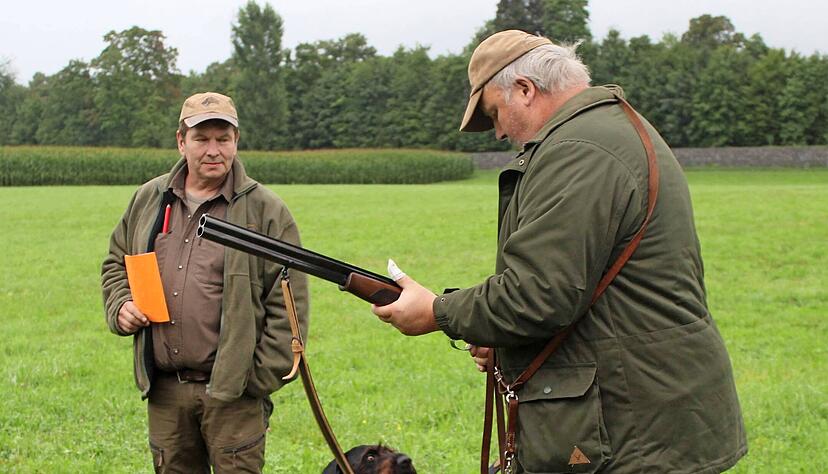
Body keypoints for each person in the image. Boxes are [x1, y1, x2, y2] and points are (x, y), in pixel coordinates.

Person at [373, 30, 746, 473]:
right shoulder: (607, 130)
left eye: (495, 112)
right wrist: (510, 346)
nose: (498, 132)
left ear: (526, 90)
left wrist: (438, 311)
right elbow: (593, 292)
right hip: (647, 411)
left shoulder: (578, 149)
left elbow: (537, 296)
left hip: (632, 429)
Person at [101, 92, 308, 473]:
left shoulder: (266, 210)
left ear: (236, 142)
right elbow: (117, 263)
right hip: (166, 392)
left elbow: (289, 302)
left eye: (223, 138)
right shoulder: (150, 198)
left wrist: (254, 379)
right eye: (201, 139)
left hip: (234, 397)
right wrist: (121, 305)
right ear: (182, 142)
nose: (213, 150)